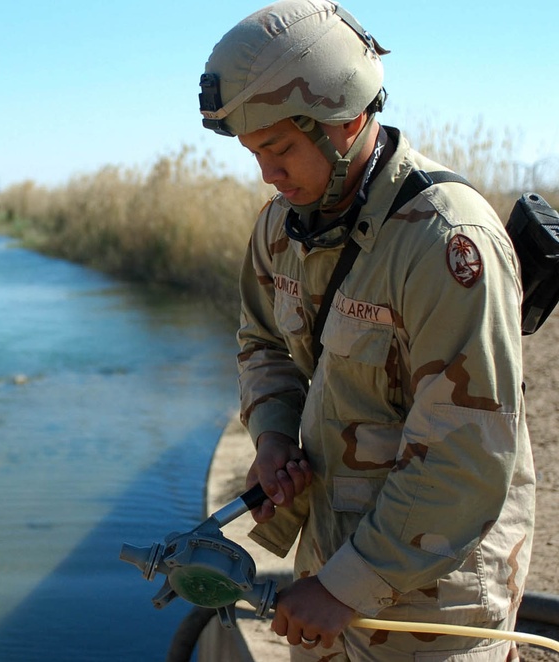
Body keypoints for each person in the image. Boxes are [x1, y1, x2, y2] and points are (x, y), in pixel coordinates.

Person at [200, 1, 536, 659]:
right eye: (253, 153)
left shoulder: (446, 243)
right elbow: (263, 343)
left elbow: (467, 453)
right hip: (327, 559)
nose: (267, 174)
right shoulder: (281, 229)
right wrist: (271, 437)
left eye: (280, 149)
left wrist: (349, 585)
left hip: (434, 593)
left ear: (346, 122)